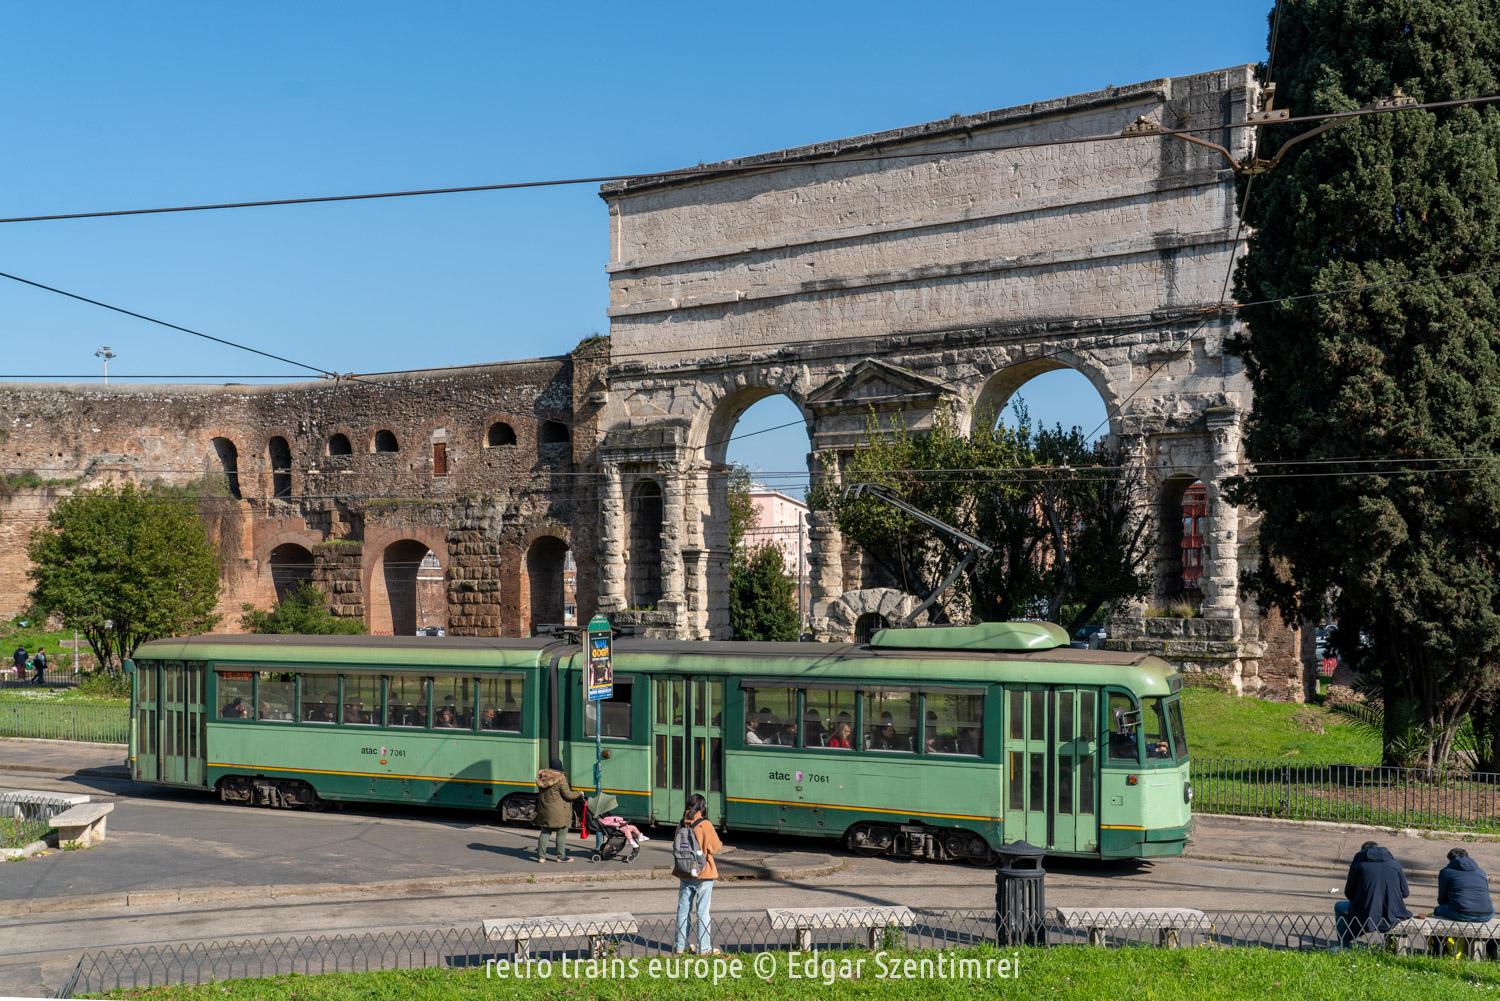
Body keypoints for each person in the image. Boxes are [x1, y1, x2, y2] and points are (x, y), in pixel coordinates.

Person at [673, 792, 724, 954]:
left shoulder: (681, 824)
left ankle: (680, 946)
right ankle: (704, 949)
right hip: (703, 874)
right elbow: (715, 848)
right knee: (702, 912)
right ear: (702, 808)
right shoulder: (704, 824)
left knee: (683, 911)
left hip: (685, 872)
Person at [1335, 841, 1411, 948]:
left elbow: (1349, 894)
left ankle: (1344, 945)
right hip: (1393, 914)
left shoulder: (1358, 865)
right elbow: (1405, 893)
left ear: (1363, 852)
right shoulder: (1395, 864)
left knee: (1339, 906)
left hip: (1365, 913)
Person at [534, 756, 581, 863]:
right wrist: (579, 793)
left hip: (545, 810)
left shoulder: (542, 777)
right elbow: (568, 795)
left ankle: (541, 857)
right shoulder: (560, 779)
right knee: (561, 833)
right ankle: (561, 857)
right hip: (558, 812)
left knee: (545, 832)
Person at [1436, 848, 1494, 922]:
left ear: (1450, 859)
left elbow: (1442, 897)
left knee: (1438, 910)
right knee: (1491, 908)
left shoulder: (1446, 872)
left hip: (1461, 914)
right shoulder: (1481, 872)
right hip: (1487, 915)